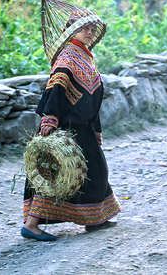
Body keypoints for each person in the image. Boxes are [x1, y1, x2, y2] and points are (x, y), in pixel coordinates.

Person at [21, 15, 121, 242]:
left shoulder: (84, 56)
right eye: (84, 28)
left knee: (95, 172)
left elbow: (92, 96)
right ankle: (31, 225)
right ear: (70, 32)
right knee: (53, 175)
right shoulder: (67, 58)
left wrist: (95, 128)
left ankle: (95, 219)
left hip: (83, 128)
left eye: (92, 28)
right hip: (65, 129)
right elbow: (55, 88)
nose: (89, 32)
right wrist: (50, 119)